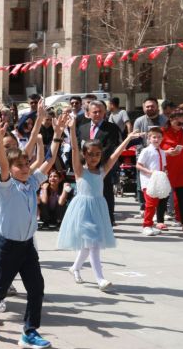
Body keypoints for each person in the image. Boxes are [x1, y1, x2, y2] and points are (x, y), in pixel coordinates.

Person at [0, 102, 65, 349]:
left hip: (27, 247)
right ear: (10, 169)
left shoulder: (32, 182)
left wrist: (57, 134)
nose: (26, 168)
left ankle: (30, 332)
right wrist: (0, 136)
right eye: (21, 166)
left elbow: (48, 161)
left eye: (27, 165)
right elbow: (4, 164)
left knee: (37, 289)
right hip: (9, 246)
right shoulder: (5, 185)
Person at [59, 116, 140, 291]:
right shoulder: (80, 170)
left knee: (90, 245)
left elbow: (116, 154)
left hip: (97, 209)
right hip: (82, 210)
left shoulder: (102, 170)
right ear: (84, 154)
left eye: (97, 154)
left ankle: (74, 268)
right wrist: (72, 129)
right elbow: (74, 148)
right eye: (90, 154)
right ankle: (100, 278)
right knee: (93, 244)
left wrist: (127, 138)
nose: (94, 157)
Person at [77, 100, 122, 225]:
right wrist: (84, 161)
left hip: (103, 166)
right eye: (94, 112)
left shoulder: (111, 128)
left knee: (106, 191)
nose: (97, 114)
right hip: (85, 167)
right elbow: (79, 147)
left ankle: (108, 218)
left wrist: (96, 161)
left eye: (100, 112)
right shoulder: (82, 128)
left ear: (105, 112)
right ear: (89, 113)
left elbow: (110, 147)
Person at [161, 110, 183, 232]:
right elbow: (154, 150)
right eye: (178, 123)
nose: (181, 126)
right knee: (163, 196)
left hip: (182, 170)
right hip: (166, 169)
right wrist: (167, 152)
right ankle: (160, 221)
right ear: (171, 119)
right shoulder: (162, 131)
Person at [135, 127, 168, 236]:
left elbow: (163, 167)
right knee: (150, 204)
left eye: (159, 137)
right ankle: (147, 225)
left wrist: (165, 173)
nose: (156, 139)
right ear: (149, 138)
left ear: (162, 138)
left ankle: (150, 225)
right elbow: (138, 165)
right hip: (148, 182)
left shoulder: (162, 152)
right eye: (154, 137)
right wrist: (149, 172)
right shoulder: (146, 151)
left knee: (154, 204)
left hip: (158, 182)